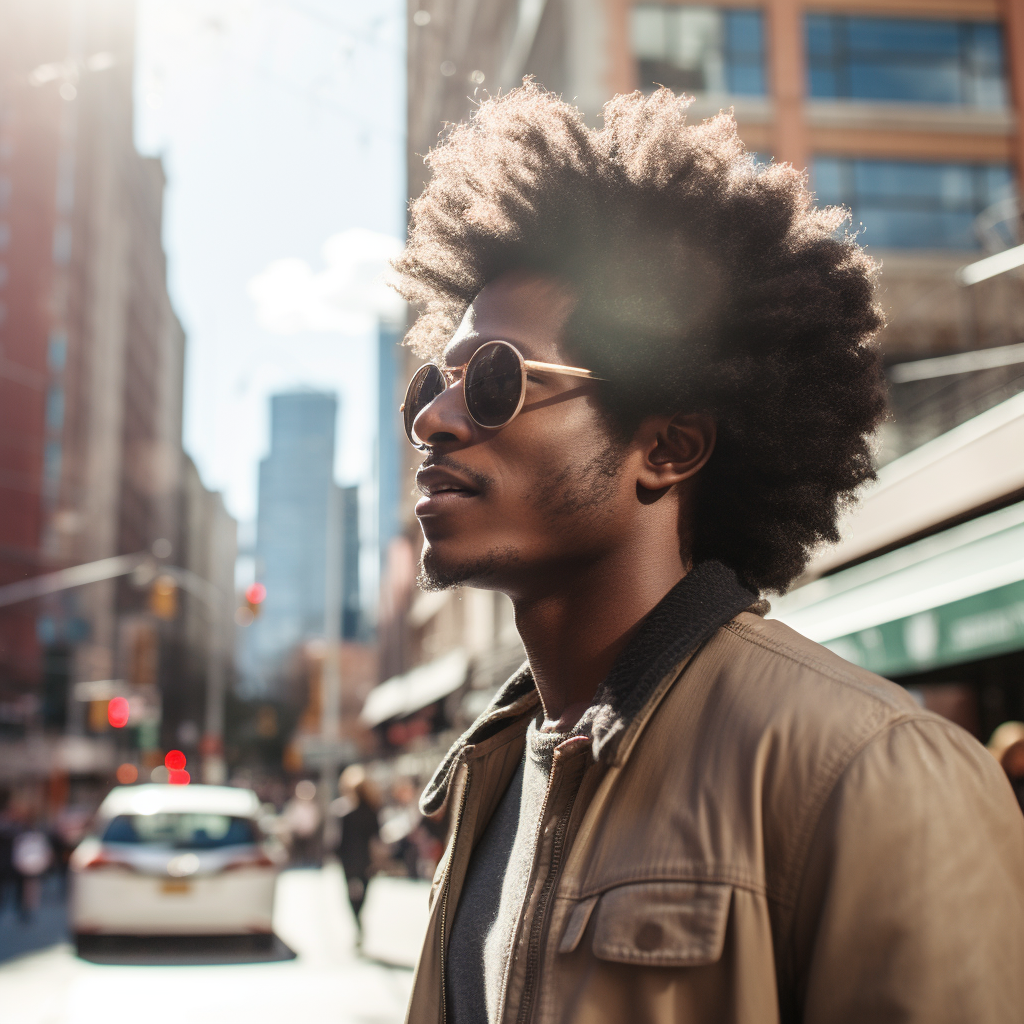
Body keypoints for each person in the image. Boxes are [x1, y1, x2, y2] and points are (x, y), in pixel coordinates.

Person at [389, 84, 1024, 1024]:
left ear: (668, 449)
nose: (434, 421)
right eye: (428, 387)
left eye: (492, 379)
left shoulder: (873, 772)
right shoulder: (490, 782)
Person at [335, 764, 382, 924]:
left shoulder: (344, 811)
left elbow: (337, 840)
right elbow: (377, 836)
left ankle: (357, 918)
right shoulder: (370, 811)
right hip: (364, 858)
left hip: (350, 858)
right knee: (363, 890)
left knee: (351, 891)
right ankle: (358, 917)